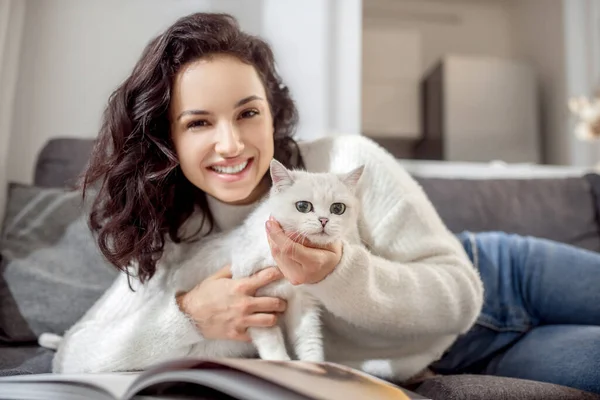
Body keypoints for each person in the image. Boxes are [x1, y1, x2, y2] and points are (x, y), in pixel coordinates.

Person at [51, 12, 600, 395]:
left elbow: (458, 295)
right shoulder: (171, 235)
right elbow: (72, 356)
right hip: (460, 355)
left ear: (272, 111)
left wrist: (337, 271)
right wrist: (189, 315)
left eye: (248, 112)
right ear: (167, 139)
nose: (232, 143)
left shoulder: (340, 162)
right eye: (199, 122)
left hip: (501, 278)